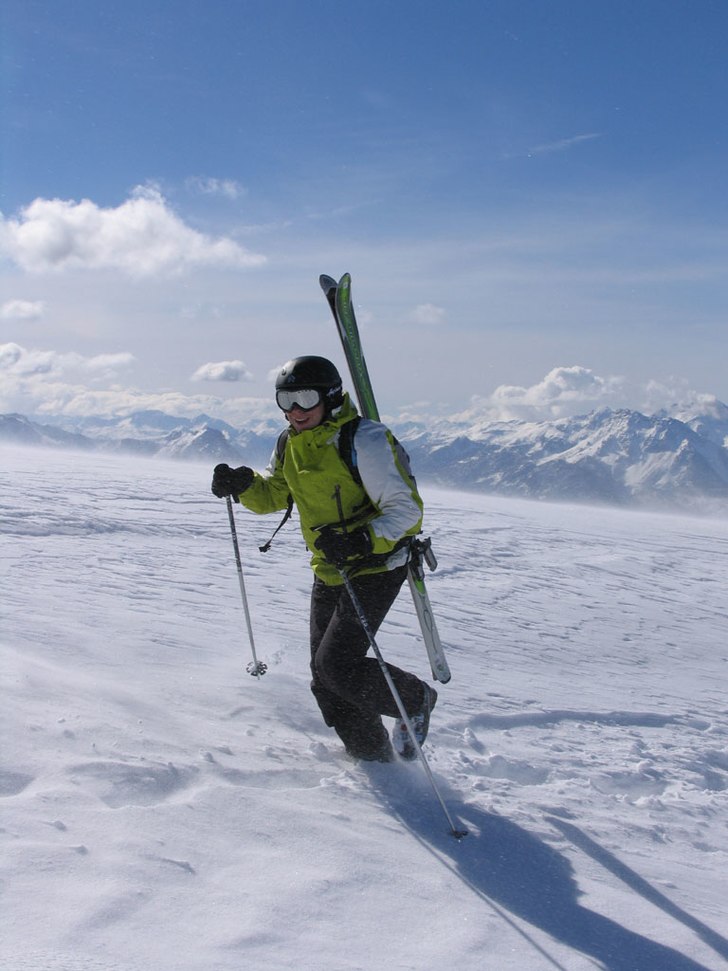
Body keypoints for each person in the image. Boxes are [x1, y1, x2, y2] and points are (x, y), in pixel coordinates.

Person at [211, 355, 437, 762]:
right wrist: (243, 485)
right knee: (324, 678)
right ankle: (374, 759)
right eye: (286, 400)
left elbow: (407, 512)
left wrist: (360, 540)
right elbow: (276, 495)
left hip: (376, 564)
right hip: (329, 567)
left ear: (330, 397)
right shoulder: (289, 444)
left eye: (305, 398)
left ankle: (415, 699)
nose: (294, 411)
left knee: (336, 666)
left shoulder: (364, 441)